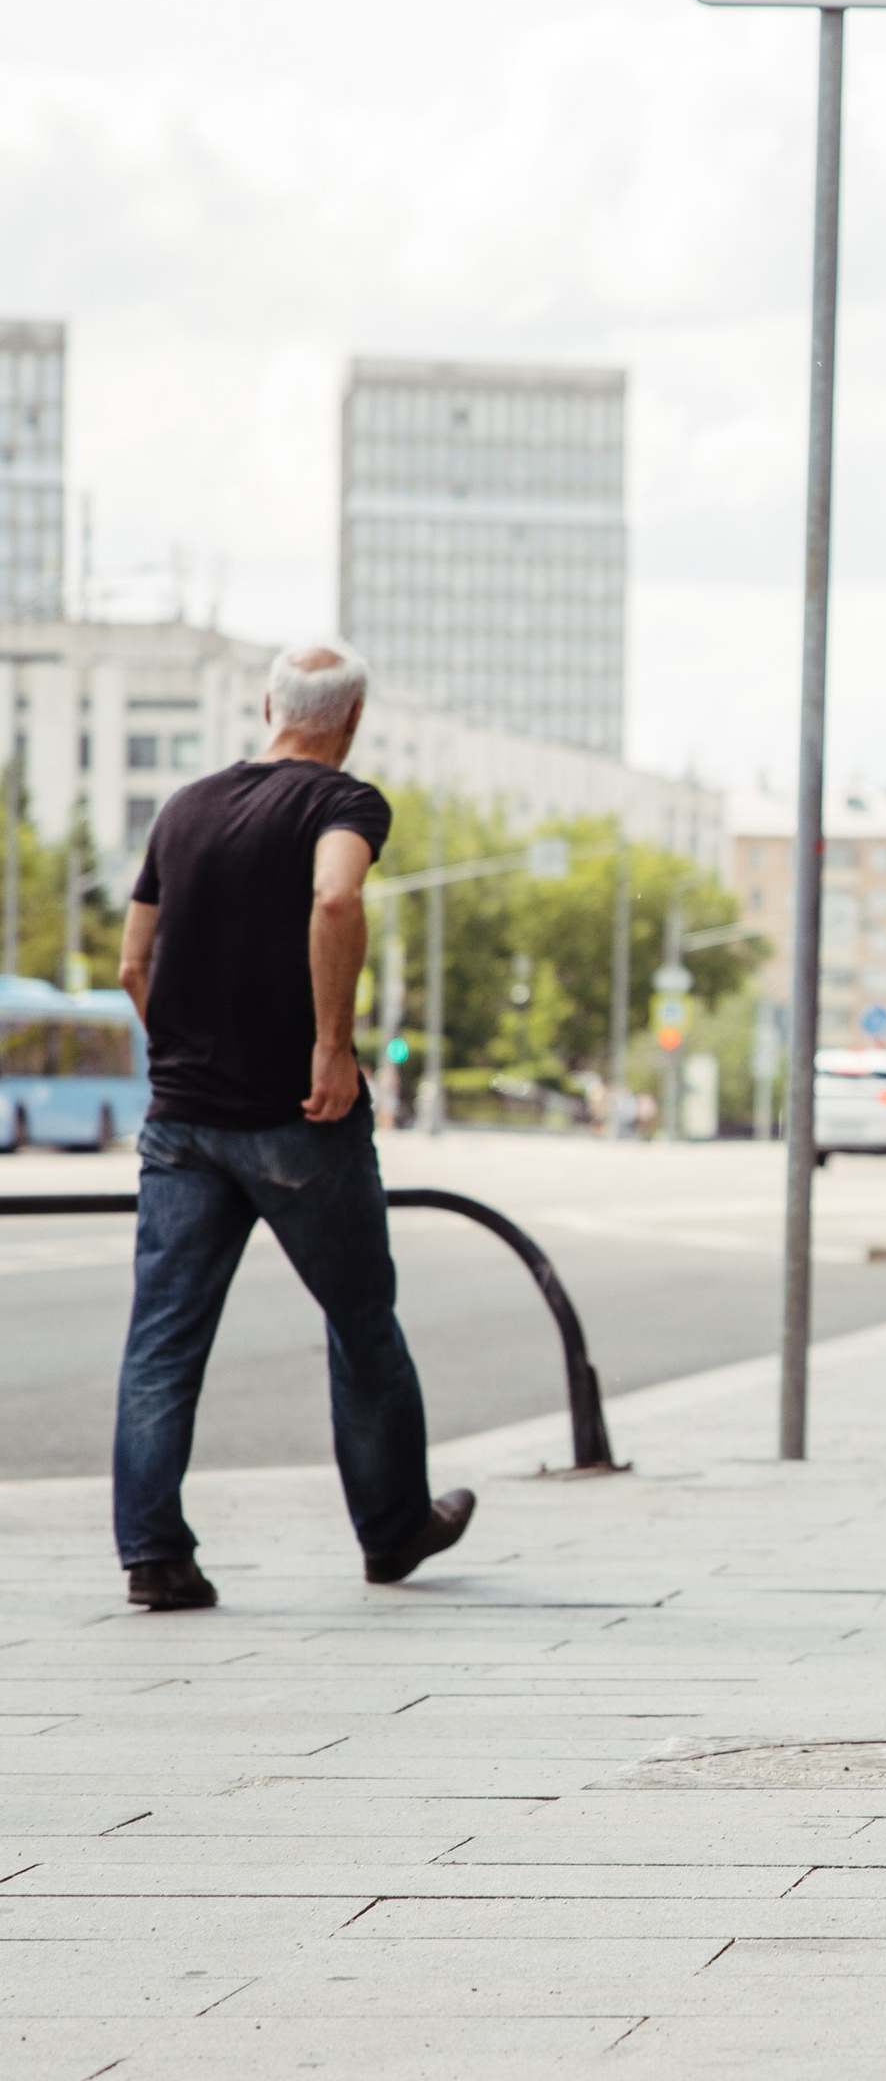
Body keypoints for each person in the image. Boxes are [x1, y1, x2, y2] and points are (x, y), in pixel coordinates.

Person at [111, 643, 476, 1610]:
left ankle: (154, 1557)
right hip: (298, 1121)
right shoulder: (344, 803)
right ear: (351, 720)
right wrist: (331, 1046)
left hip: (181, 1124)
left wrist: (182, 1053)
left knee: (162, 1340)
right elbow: (336, 893)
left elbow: (132, 964)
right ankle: (393, 1531)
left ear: (267, 705)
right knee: (361, 1324)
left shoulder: (183, 808)